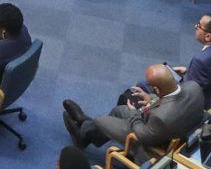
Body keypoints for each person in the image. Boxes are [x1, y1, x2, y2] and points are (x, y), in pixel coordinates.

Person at [64, 63, 201, 151]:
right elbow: (170, 99)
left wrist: (134, 112)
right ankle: (86, 131)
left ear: (157, 89)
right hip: (166, 121)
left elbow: (142, 135)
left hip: (148, 137)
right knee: (118, 110)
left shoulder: (161, 117)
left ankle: (84, 132)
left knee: (101, 120)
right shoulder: (194, 87)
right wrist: (151, 98)